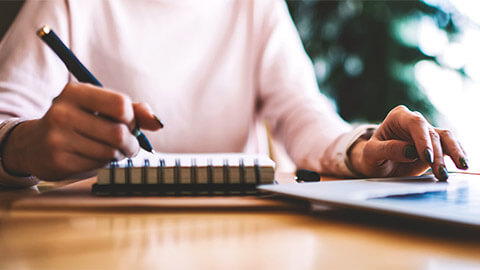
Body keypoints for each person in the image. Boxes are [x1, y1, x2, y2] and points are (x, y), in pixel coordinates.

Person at [0, 0, 468, 187]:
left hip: (239, 237)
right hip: (89, 237)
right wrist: (21, 144)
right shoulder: (64, 4)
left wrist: (362, 148)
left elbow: (302, 111)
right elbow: (6, 117)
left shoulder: (254, 6)